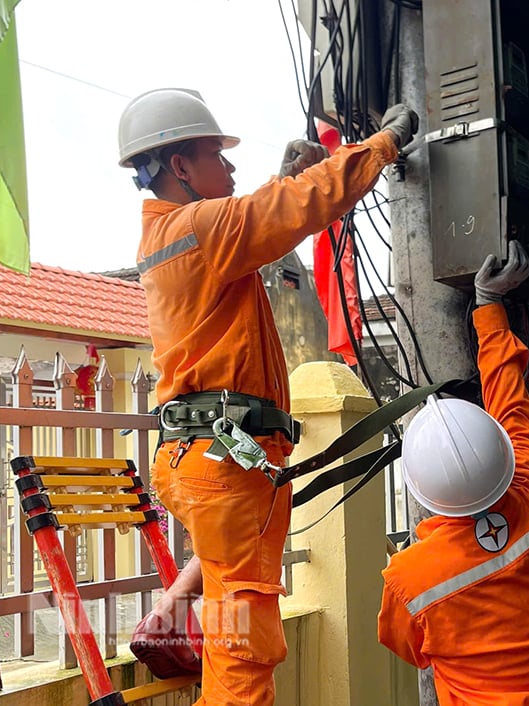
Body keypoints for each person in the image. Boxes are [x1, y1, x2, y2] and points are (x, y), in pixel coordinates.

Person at [116, 87, 418, 705]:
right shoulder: (200, 228)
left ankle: (174, 609)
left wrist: (283, 177)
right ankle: (183, 617)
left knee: (233, 620)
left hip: (199, 456)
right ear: (180, 167)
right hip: (223, 461)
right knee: (244, 652)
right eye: (216, 157)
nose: (229, 168)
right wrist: (381, 146)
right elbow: (290, 211)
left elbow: (258, 218)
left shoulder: (172, 234)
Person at [378, 241, 529, 705]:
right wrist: (489, 304)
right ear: (502, 458)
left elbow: (411, 650)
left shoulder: (410, 577)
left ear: (418, 487)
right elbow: (511, 400)